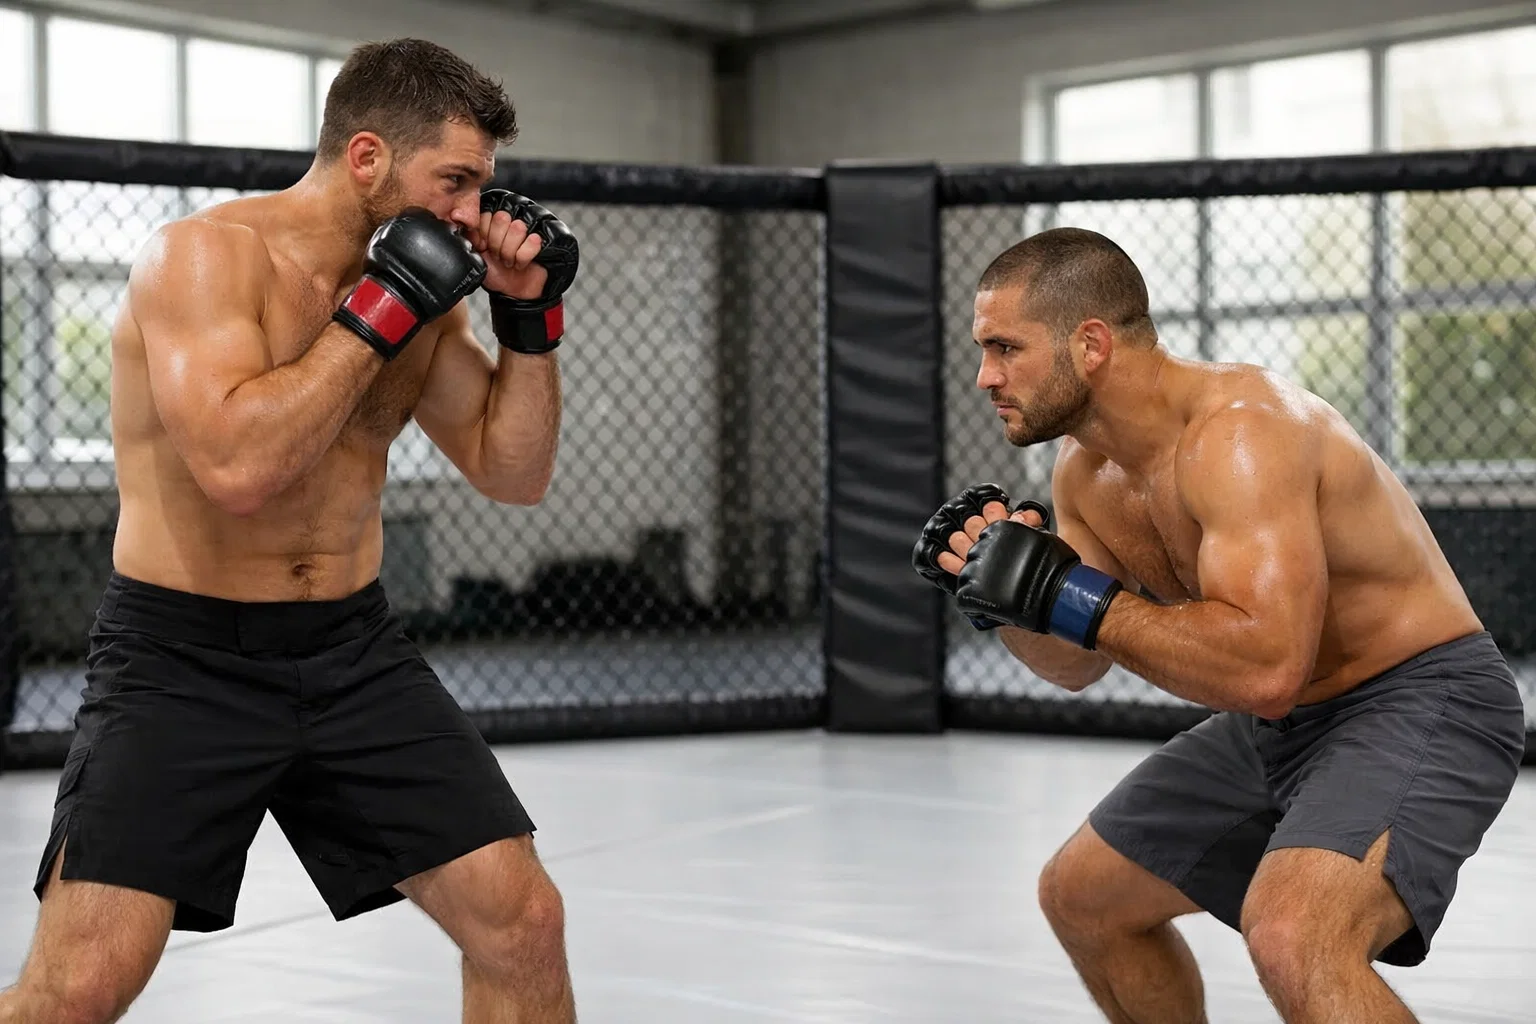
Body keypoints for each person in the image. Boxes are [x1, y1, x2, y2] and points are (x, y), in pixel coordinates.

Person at [1, 38, 580, 1023]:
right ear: (366, 158)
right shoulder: (203, 260)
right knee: (82, 984)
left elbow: (512, 472)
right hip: (184, 657)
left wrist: (529, 321)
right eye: (455, 181)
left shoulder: (428, 306)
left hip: (353, 650)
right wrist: (382, 308)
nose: (473, 215)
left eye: (482, 187)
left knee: (521, 922)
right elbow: (240, 467)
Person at [912, 227, 1525, 1024]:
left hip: (1420, 698)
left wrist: (1070, 594)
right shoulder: (1086, 472)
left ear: (1090, 343)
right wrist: (1007, 601)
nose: (985, 376)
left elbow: (1263, 666)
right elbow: (1075, 664)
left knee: (1295, 936)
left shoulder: (1241, 433)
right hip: (1281, 721)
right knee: (1085, 898)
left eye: (1004, 347)